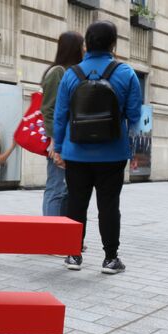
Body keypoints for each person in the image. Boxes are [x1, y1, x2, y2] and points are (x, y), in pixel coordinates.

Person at [52, 20, 142, 274]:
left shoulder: (71, 75)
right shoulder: (126, 73)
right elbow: (135, 116)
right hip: (113, 153)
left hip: (76, 152)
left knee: (76, 203)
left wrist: (58, 147)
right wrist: (132, 147)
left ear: (86, 44)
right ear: (113, 44)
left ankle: (73, 254)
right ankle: (110, 259)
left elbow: (60, 116)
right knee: (109, 205)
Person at [41, 31, 84, 217]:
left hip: (70, 140)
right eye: (81, 45)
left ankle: (64, 236)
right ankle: (50, 236)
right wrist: (53, 141)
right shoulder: (57, 72)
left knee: (66, 190)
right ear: (73, 48)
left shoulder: (72, 72)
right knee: (56, 188)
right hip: (58, 141)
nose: (84, 49)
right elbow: (48, 109)